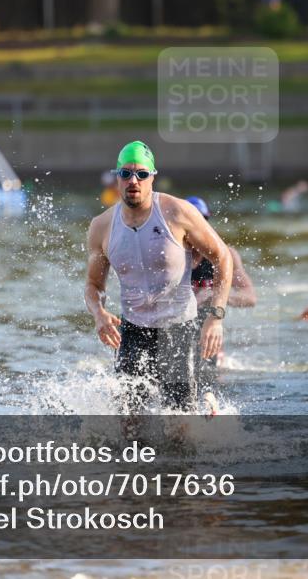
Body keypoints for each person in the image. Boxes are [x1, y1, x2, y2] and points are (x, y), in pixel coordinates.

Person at [85, 142, 233, 413]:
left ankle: (203, 414)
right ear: (116, 177)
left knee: (180, 430)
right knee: (129, 424)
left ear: (152, 176)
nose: (133, 181)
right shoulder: (101, 226)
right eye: (126, 173)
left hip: (177, 328)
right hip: (133, 331)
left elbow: (223, 256)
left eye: (141, 174)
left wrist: (216, 317)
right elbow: (94, 285)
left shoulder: (177, 212)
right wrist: (99, 313)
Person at [185, 196, 257, 412]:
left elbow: (249, 297)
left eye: (202, 220)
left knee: (209, 380)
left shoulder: (224, 255)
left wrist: (216, 296)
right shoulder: (169, 256)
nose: (197, 228)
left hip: (208, 336)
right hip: (177, 329)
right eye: (191, 221)